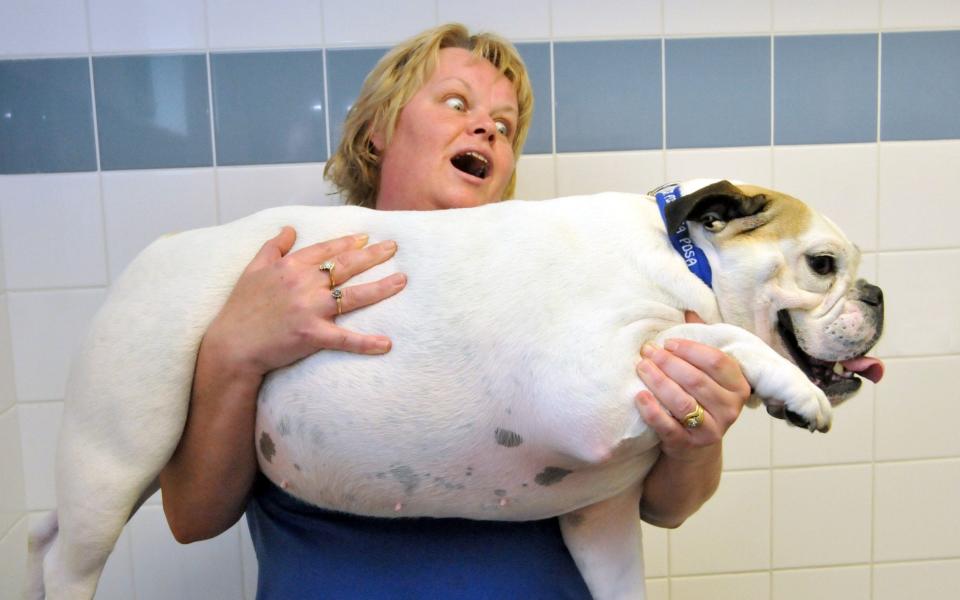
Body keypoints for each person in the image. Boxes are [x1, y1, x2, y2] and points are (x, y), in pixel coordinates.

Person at [159, 23, 751, 598]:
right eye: (454, 102)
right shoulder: (288, 278)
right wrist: (231, 354)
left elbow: (665, 508)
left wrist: (696, 431)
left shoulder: (561, 286)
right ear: (376, 132)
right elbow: (194, 518)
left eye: (504, 125)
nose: (487, 130)